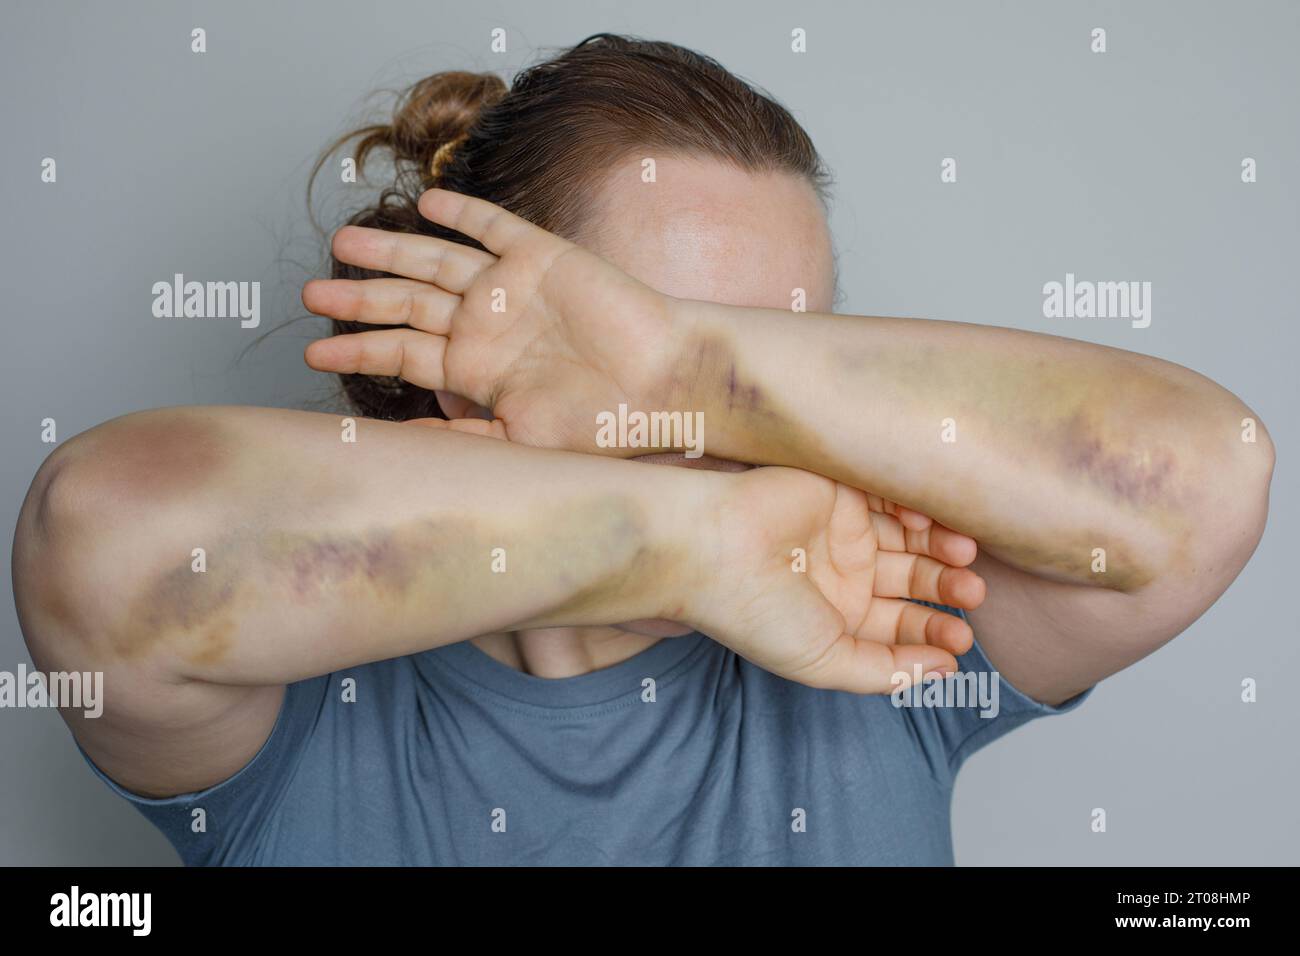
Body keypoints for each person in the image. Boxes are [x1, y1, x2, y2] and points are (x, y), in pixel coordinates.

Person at [13, 35, 1273, 865]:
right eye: (643, 357)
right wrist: (684, 545)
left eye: (774, 376)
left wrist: (679, 370)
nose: (753, 450)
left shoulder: (885, 632)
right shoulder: (305, 724)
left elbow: (1205, 476)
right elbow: (96, 537)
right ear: (465, 369)